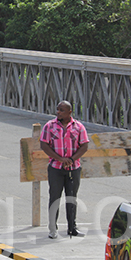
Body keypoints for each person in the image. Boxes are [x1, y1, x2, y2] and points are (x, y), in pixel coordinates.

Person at [39, 101, 89, 239]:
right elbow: (44, 145)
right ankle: (52, 228)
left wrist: (71, 160)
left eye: (61, 110)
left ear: (69, 112)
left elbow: (84, 146)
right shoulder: (50, 126)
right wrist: (60, 159)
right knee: (54, 197)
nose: (58, 112)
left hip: (73, 169)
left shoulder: (78, 127)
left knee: (71, 198)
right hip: (56, 168)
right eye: (57, 109)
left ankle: (72, 228)